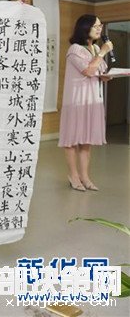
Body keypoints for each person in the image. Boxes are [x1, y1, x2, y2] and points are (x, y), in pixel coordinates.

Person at [58, 14, 113, 192]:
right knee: (71, 140)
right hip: (76, 101)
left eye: (100, 26)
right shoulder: (75, 49)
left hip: (92, 100)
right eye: (96, 26)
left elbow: (99, 72)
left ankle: (85, 177)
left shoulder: (95, 48)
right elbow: (88, 71)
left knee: (86, 141)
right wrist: (103, 52)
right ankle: (73, 176)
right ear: (85, 28)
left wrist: (107, 75)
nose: (99, 29)